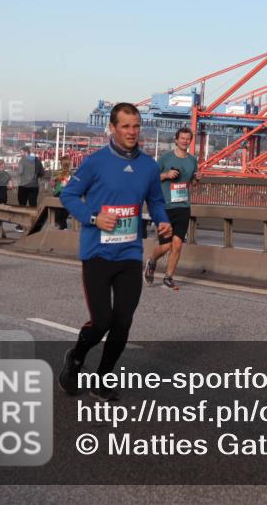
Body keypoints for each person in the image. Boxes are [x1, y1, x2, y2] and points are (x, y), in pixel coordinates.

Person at [57, 103, 171, 402]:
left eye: (136, 126)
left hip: (130, 254)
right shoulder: (96, 162)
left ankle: (102, 378)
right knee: (102, 321)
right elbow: (68, 195)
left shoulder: (148, 166)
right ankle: (77, 357)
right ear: (112, 128)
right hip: (97, 253)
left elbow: (156, 201)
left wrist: (163, 221)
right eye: (125, 126)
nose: (132, 132)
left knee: (123, 322)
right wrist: (94, 218)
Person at [143, 127, 200, 291]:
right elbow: (151, 177)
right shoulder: (165, 158)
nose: (185, 141)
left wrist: (197, 179)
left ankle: (168, 278)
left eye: (188, 139)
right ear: (176, 140)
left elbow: (193, 184)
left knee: (177, 245)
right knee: (166, 245)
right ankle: (152, 260)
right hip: (165, 206)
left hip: (183, 206)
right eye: (182, 138)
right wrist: (166, 175)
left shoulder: (192, 160)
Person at [52, 158, 73, 230]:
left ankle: (61, 224)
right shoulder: (72, 174)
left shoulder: (56, 172)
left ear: (61, 164)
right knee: (65, 211)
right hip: (68, 194)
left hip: (58, 193)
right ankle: (63, 225)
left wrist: (54, 182)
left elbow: (52, 184)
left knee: (58, 210)